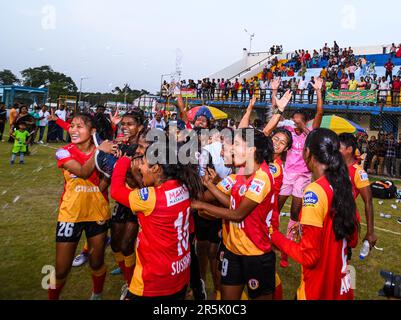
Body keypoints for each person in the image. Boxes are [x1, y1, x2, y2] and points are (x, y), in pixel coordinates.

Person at [271, 128, 359, 300]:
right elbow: (352, 240)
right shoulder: (343, 185)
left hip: (317, 289)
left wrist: (275, 237)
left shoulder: (314, 192)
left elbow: (309, 257)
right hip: (341, 287)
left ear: (308, 153)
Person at [110, 139, 203, 300]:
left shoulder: (151, 198)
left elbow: (116, 191)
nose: (140, 167)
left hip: (153, 280)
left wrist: (124, 159)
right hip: (179, 273)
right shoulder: (184, 186)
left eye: (144, 164)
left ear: (156, 168)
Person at [191, 129, 277, 300]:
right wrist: (210, 186)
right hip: (232, 251)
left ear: (252, 150)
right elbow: (231, 203)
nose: (231, 150)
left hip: (256, 254)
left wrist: (201, 204)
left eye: (236, 145)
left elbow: (238, 214)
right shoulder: (241, 173)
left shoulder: (262, 177)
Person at [48, 113, 114, 300]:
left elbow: (101, 187)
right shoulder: (63, 151)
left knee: (96, 262)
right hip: (70, 214)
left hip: (98, 213)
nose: (73, 130)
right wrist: (100, 151)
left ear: (92, 131)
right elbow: (83, 172)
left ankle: (97, 294)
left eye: (79, 126)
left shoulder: (104, 152)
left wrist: (110, 168)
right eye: (72, 126)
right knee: (61, 269)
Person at [276, 77, 324, 268]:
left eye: (298, 119)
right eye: (293, 119)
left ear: (304, 120)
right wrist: (274, 92)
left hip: (303, 176)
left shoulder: (310, 130)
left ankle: (287, 250)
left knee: (296, 211)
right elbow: (276, 113)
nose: (294, 122)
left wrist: (319, 91)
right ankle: (273, 239)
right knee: (276, 207)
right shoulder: (287, 130)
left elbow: (320, 111)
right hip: (287, 174)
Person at [339, 133, 377, 250]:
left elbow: (368, 202)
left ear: (349, 150)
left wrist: (370, 232)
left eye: (339, 148)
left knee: (343, 252)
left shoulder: (359, 173)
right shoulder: (334, 166)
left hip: (346, 220)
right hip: (330, 216)